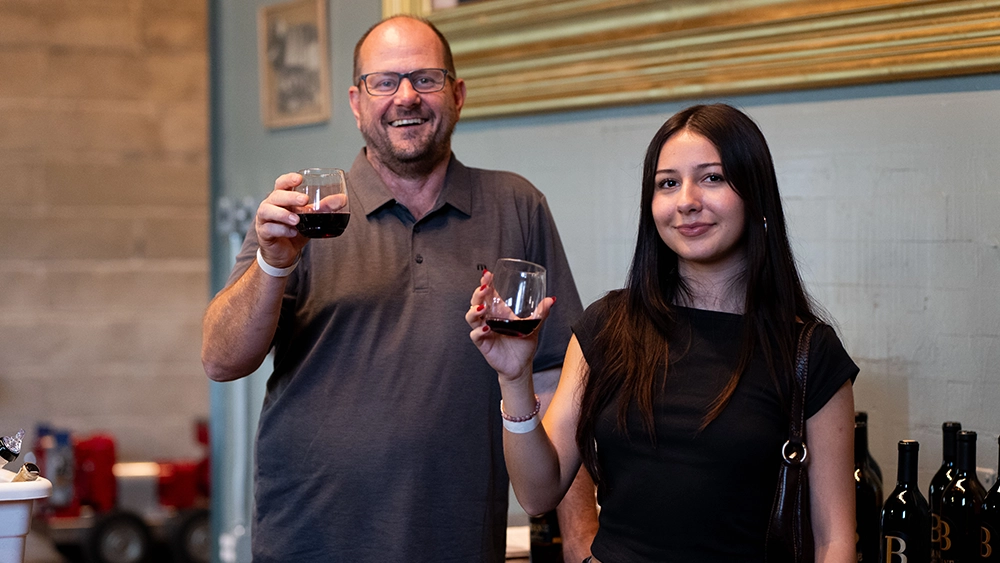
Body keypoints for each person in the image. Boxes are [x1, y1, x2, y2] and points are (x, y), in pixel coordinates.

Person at [201, 15, 596, 563]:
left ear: (457, 95)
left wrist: (581, 541)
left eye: (426, 79)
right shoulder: (302, 214)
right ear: (356, 101)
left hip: (457, 539)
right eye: (383, 82)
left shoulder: (516, 205)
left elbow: (557, 383)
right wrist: (271, 263)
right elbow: (221, 361)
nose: (405, 97)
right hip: (309, 542)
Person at [467, 103, 859, 562]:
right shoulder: (608, 325)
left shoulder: (809, 352)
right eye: (667, 183)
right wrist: (514, 380)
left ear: (755, 193)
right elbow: (538, 493)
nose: (686, 200)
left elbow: (834, 540)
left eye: (712, 177)